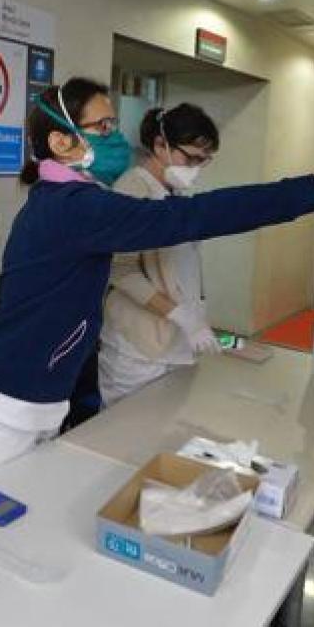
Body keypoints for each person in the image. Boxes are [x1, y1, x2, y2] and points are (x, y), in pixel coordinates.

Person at [0, 76, 314, 481]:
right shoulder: (70, 206)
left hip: (41, 393)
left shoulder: (71, 200)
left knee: (20, 513)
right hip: (7, 399)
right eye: (104, 128)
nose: (119, 140)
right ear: (60, 141)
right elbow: (195, 218)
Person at [99, 103, 223, 404]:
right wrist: (182, 315)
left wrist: (195, 316)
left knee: (163, 431)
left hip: (174, 338)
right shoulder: (132, 190)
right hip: (139, 347)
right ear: (159, 144)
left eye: (203, 161)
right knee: (127, 436)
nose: (195, 168)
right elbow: (121, 270)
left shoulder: (173, 193)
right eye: (191, 158)